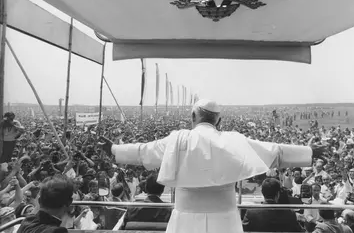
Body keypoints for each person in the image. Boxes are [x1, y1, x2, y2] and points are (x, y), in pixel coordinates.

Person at [99, 99, 329, 233]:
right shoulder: (234, 140)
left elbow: (142, 152)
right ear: (219, 121)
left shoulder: (178, 139)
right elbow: (276, 153)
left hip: (184, 222)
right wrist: (309, 153)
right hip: (226, 221)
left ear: (192, 117)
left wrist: (114, 150)